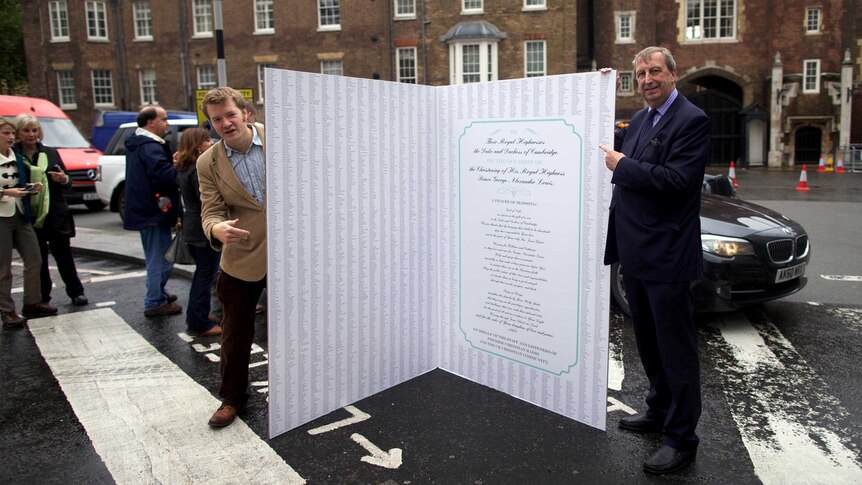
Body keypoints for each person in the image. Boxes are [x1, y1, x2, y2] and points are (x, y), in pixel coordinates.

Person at [599, 47, 710, 475]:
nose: (648, 79)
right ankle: (658, 409)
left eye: (655, 71)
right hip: (636, 253)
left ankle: (682, 439)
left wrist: (623, 166)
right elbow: (604, 134)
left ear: (673, 74)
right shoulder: (642, 120)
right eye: (641, 73)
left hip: (668, 256)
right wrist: (599, 88)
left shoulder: (691, 120)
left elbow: (678, 182)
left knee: (676, 351)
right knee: (647, 343)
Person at [197, 87, 267, 428]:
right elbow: (209, 211)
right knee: (236, 333)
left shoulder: (282, 139)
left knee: (309, 325)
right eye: (216, 120)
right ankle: (232, 398)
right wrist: (216, 229)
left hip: (292, 253)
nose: (225, 123)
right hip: (242, 254)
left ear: (246, 114)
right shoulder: (207, 162)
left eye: (230, 115)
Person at [13, 114, 88, 307]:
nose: (31, 134)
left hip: (55, 212)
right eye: (27, 130)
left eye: (35, 130)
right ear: (18, 133)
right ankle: (43, 296)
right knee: (37, 258)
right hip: (29, 214)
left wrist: (63, 179)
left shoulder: (50, 152)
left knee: (64, 255)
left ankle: (76, 292)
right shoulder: (14, 156)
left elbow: (68, 181)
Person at [123, 106, 182, 317]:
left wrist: (170, 163)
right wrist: (177, 166)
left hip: (147, 209)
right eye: (164, 119)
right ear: (150, 123)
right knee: (160, 258)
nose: (167, 123)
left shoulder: (140, 144)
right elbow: (164, 178)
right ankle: (154, 301)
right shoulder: (150, 147)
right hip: (154, 211)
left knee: (157, 256)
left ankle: (158, 293)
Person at [1, 117, 56, 328]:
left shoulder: (16, 155)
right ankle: (7, 310)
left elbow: (19, 182)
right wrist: (6, 192)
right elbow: (8, 188)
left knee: (35, 259)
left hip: (21, 213)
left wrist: (30, 187)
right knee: (3, 267)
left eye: (12, 134)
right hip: (1, 216)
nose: (11, 138)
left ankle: (32, 302)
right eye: (6, 133)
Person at [175, 127, 222, 337]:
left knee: (202, 275)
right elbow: (206, 201)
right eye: (206, 140)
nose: (210, 142)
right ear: (197, 144)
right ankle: (198, 323)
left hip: (192, 228)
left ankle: (199, 314)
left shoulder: (183, 167)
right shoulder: (196, 169)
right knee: (205, 276)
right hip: (202, 231)